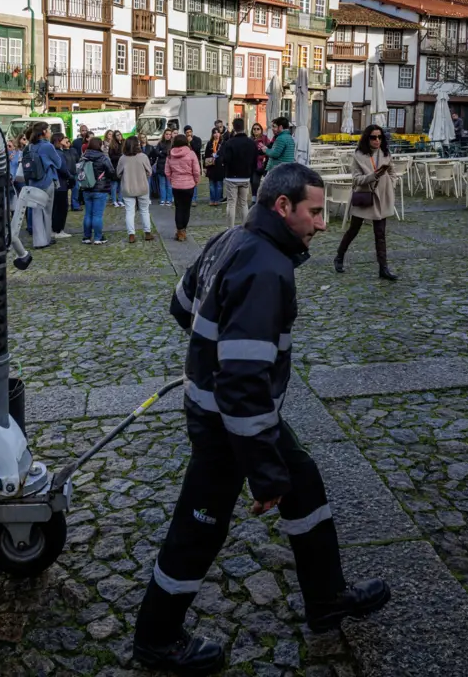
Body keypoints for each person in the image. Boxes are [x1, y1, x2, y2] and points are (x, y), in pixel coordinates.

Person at [131, 164, 391, 674]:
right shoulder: (267, 270)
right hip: (228, 425)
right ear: (282, 207)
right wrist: (263, 472)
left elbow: (181, 305)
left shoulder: (231, 238)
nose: (321, 224)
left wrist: (210, 338)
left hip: (237, 417)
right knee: (198, 528)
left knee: (305, 482)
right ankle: (156, 638)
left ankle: (326, 599)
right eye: (314, 212)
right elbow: (242, 384)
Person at [334, 125, 398, 281]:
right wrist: (372, 176)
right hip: (364, 196)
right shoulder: (358, 155)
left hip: (381, 197)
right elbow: (356, 180)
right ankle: (339, 256)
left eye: (380, 137)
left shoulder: (385, 153)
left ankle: (383, 268)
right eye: (373, 137)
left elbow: (392, 172)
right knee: (354, 230)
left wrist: (391, 184)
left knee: (380, 234)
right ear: (367, 138)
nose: (377, 140)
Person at [12, 122, 62, 251]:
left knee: (36, 211)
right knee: (47, 211)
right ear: (44, 132)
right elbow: (58, 163)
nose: (50, 132)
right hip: (46, 181)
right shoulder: (47, 146)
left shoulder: (30, 146)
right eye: (49, 129)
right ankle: (46, 238)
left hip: (33, 181)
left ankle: (38, 241)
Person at [217, 118, 256, 228]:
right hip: (245, 177)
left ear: (234, 128)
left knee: (231, 203)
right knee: (243, 204)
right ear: (244, 127)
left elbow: (224, 159)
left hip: (231, 177)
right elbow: (254, 159)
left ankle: (231, 228)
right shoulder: (251, 143)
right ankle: (245, 228)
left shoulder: (229, 143)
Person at [118, 134, 154, 243]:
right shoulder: (143, 157)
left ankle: (131, 234)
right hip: (142, 187)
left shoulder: (123, 158)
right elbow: (150, 172)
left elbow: (118, 173)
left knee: (129, 212)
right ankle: (147, 232)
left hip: (128, 188)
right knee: (144, 211)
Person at [165, 133, 201, 241]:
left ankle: (179, 230)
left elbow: (167, 171)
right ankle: (183, 230)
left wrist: (172, 180)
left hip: (176, 185)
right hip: (189, 185)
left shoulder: (170, 155)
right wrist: (196, 180)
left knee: (178, 208)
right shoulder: (191, 154)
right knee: (187, 208)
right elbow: (196, 170)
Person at [78, 138, 114, 245]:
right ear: (99, 145)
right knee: (97, 215)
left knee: (88, 214)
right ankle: (98, 237)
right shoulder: (103, 157)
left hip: (86, 188)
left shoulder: (83, 156)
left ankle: (86, 237)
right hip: (100, 189)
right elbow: (111, 171)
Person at [51, 133, 75, 239]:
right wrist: (70, 176)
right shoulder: (58, 153)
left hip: (56, 183)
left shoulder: (54, 151)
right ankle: (58, 229)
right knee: (61, 207)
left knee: (57, 207)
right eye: (63, 139)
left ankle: (55, 229)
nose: (66, 140)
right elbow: (63, 168)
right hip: (61, 183)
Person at [203, 129, 225, 207]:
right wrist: (204, 167)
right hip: (211, 166)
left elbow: (225, 154)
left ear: (220, 134)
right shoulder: (209, 143)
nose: (216, 134)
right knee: (212, 185)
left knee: (219, 185)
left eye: (217, 132)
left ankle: (217, 200)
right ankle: (212, 199)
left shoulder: (223, 143)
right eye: (214, 133)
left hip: (219, 166)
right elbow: (205, 155)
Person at [71, 127, 90, 211]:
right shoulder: (76, 142)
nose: (84, 132)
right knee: (78, 184)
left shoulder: (90, 141)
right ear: (80, 131)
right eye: (83, 130)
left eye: (86, 130)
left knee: (86, 182)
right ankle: (78, 200)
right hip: (78, 164)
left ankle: (84, 200)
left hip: (88, 164)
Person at [250, 122, 269, 201]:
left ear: (261, 130)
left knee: (258, 182)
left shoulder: (265, 138)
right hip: (253, 164)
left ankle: (261, 199)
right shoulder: (250, 139)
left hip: (264, 164)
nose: (256, 131)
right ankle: (254, 199)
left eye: (258, 129)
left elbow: (269, 149)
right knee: (253, 182)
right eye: (254, 129)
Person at [107, 130, 125, 208]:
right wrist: (120, 157)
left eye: (120, 134)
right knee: (114, 184)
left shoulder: (124, 143)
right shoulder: (112, 145)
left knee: (121, 184)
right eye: (117, 135)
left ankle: (120, 200)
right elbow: (111, 157)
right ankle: (114, 200)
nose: (119, 136)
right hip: (115, 166)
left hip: (123, 166)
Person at [155, 134, 174, 207]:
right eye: (166, 134)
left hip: (170, 166)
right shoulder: (160, 143)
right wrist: (163, 153)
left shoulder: (172, 143)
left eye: (169, 134)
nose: (168, 135)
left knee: (169, 185)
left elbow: (171, 153)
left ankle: (169, 200)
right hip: (161, 166)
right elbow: (156, 152)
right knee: (162, 184)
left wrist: (162, 152)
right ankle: (163, 199)